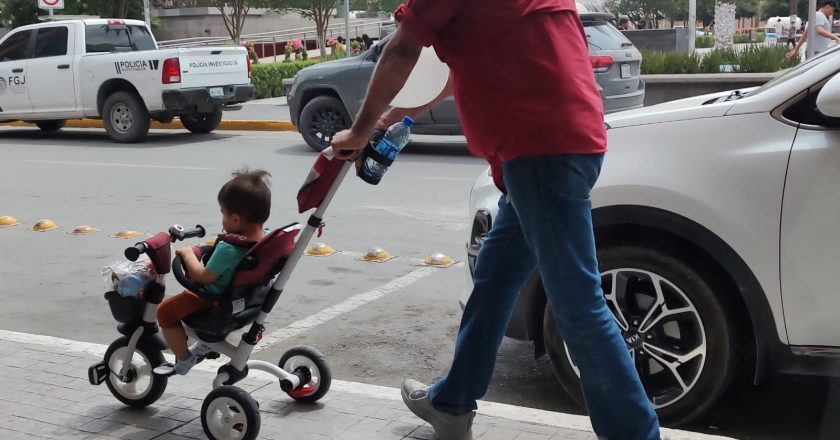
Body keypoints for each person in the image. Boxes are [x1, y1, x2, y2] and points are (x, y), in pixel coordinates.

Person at [330, 1, 661, 439]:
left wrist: (359, 129)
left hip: (538, 148)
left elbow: (401, 50)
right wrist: (394, 115)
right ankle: (452, 403)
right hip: (561, 141)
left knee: (578, 304)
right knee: (496, 278)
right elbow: (464, 64)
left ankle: (635, 434)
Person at [154, 169, 271, 376]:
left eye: (223, 214)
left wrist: (188, 254)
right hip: (249, 301)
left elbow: (203, 276)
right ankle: (206, 344)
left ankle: (184, 358)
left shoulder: (229, 248)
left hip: (215, 302)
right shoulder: (266, 241)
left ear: (235, 220)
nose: (223, 220)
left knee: (165, 312)